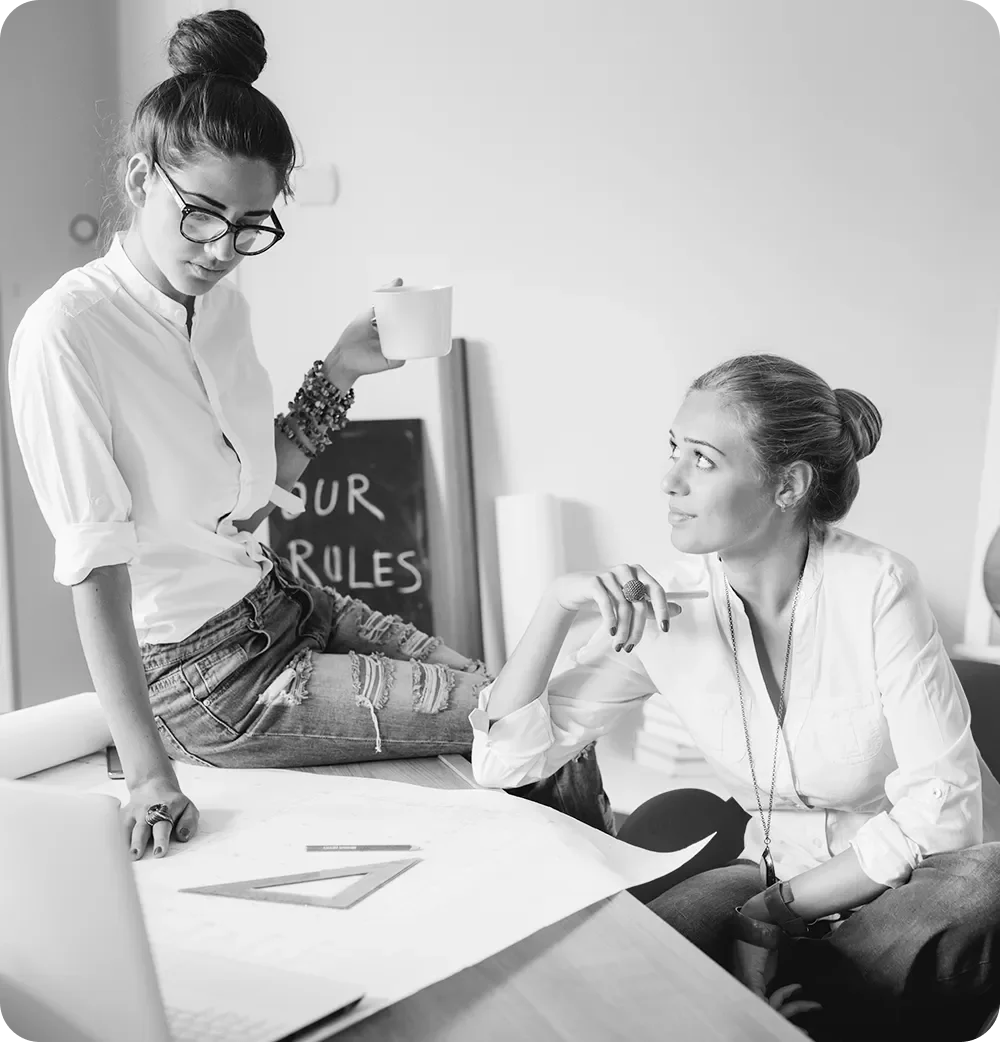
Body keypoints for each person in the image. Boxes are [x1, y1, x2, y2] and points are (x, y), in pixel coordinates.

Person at [7, 9, 504, 864]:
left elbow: (247, 493)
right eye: (201, 214)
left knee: (516, 696)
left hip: (279, 603)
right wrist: (147, 773)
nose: (222, 248)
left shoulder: (225, 306)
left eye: (250, 225)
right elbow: (95, 565)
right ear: (139, 179)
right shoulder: (68, 331)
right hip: (207, 677)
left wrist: (342, 368)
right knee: (525, 722)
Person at [469, 353, 1000, 1038]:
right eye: (672, 451)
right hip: (770, 872)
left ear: (789, 485)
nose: (669, 480)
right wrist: (554, 605)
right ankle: (800, 1006)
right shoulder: (664, 606)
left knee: (981, 884)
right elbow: (506, 764)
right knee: (641, 954)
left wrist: (775, 915)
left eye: (703, 459)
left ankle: (786, 1004)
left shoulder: (876, 587)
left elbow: (947, 813)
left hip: (904, 889)